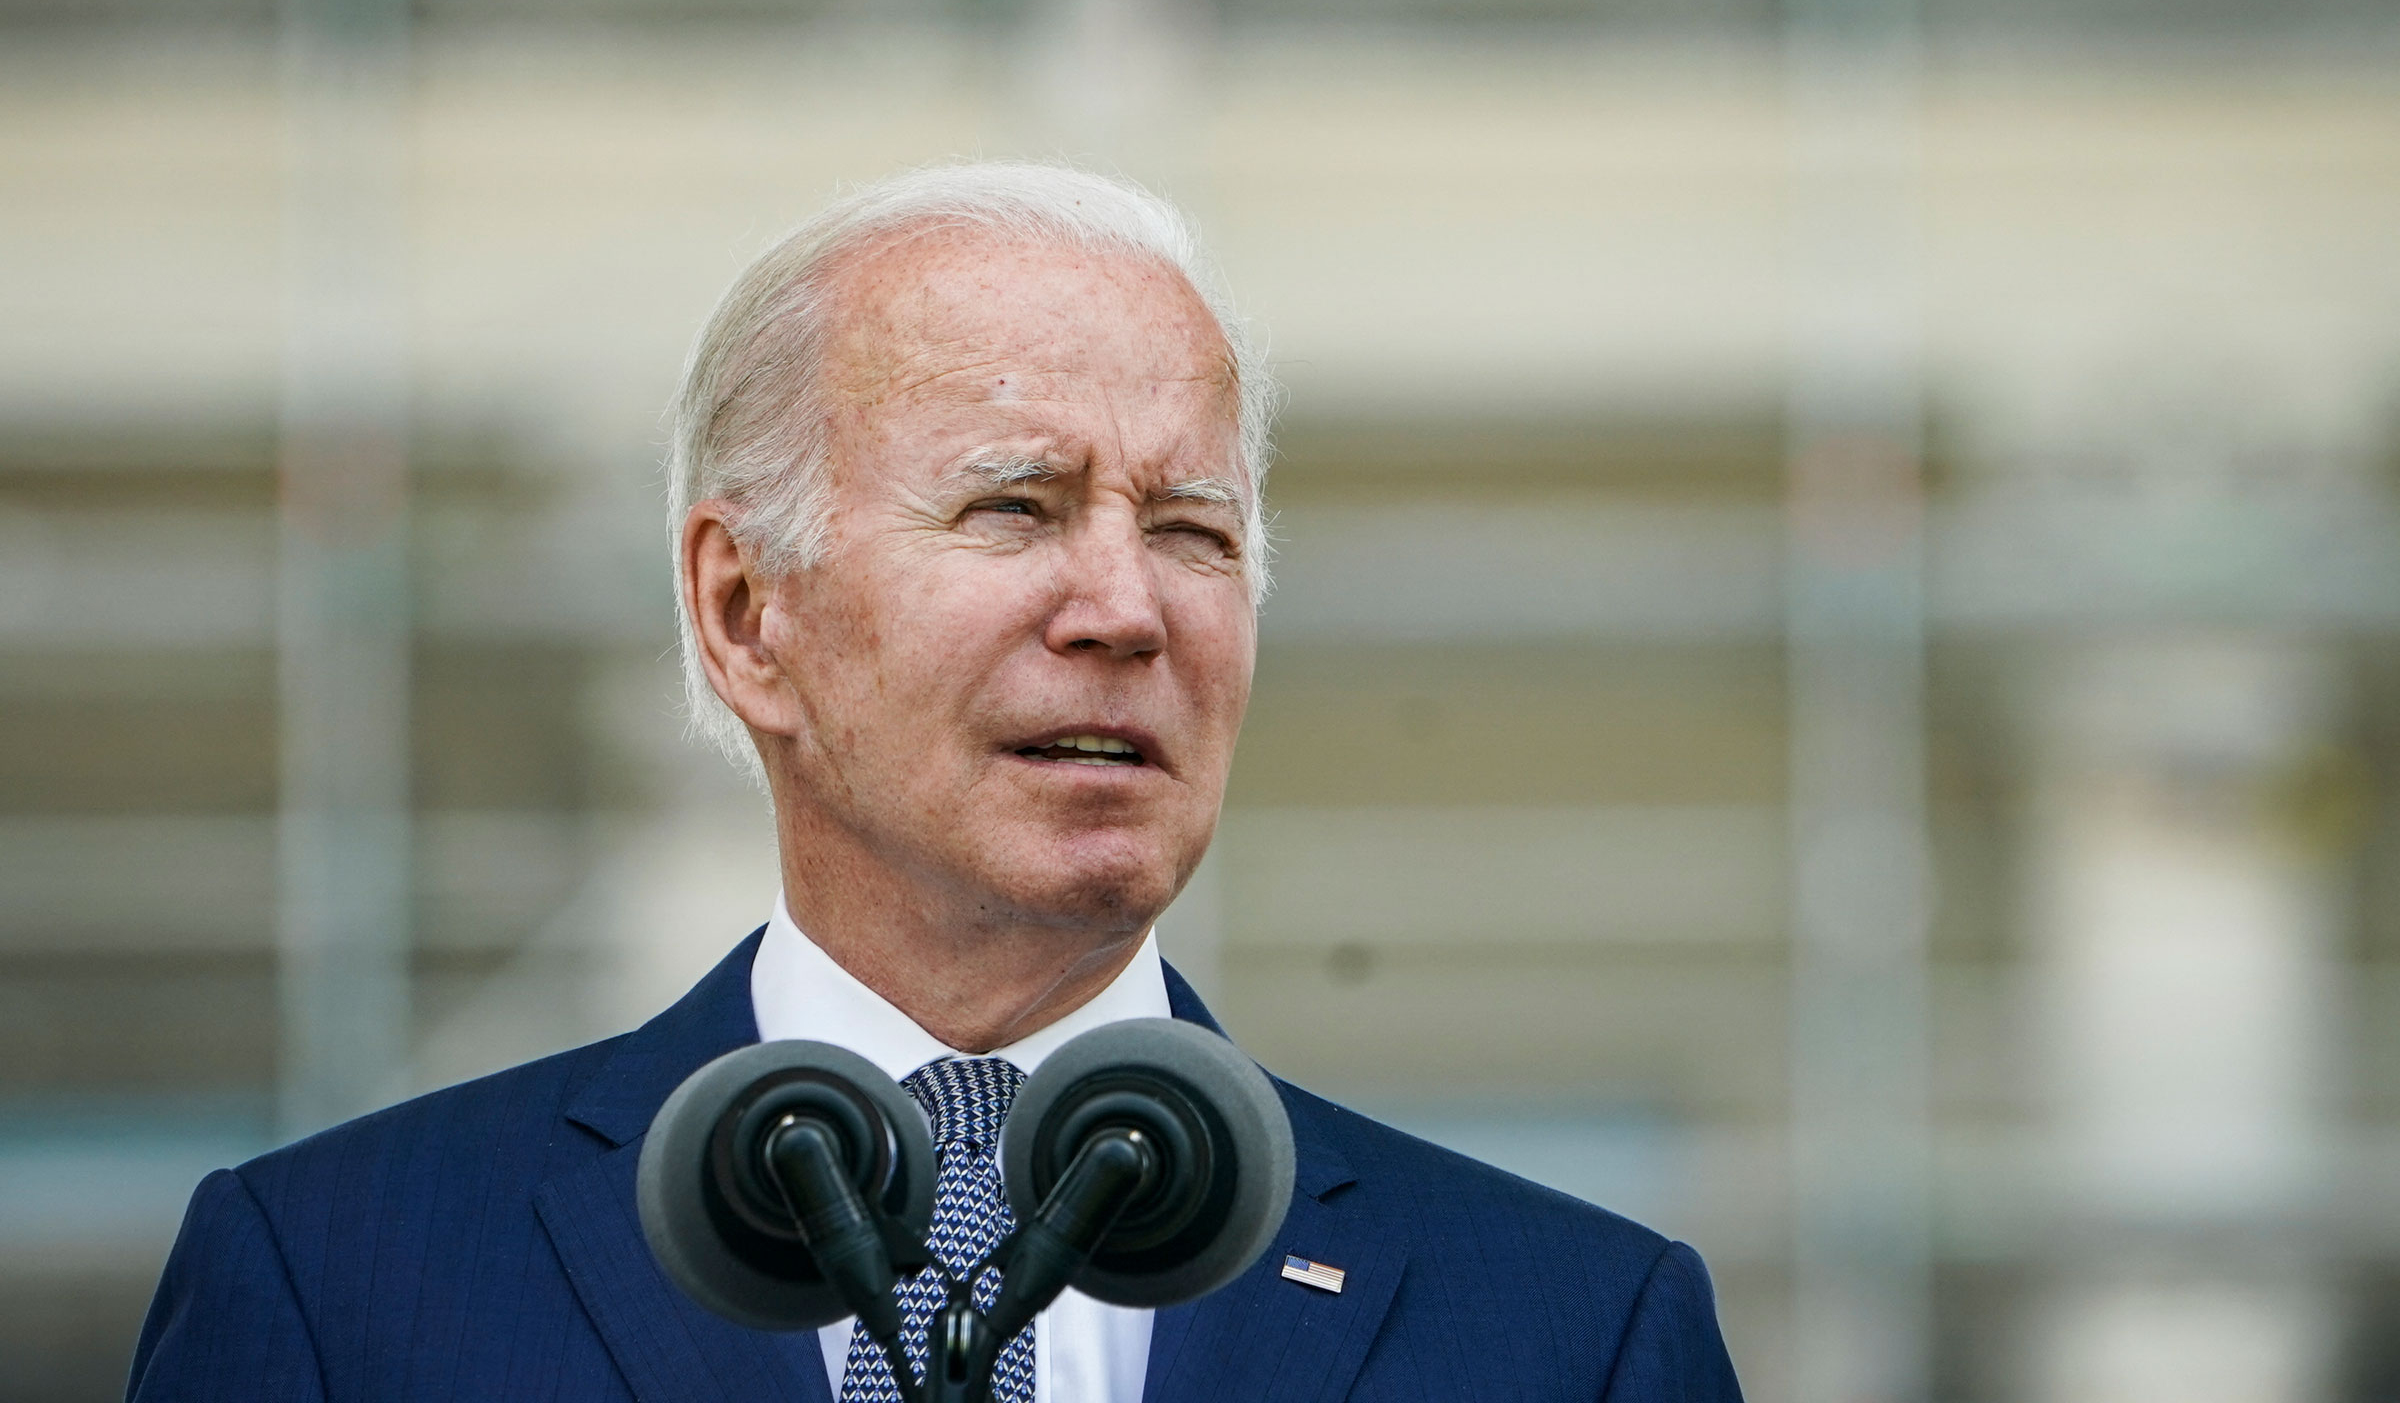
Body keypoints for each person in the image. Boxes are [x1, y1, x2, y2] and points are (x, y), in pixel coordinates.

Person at [126, 163, 1744, 1402]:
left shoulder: (1574, 1330)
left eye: (1192, 530)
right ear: (748, 615)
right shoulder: (335, 1288)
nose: (1126, 607)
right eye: (1014, 509)